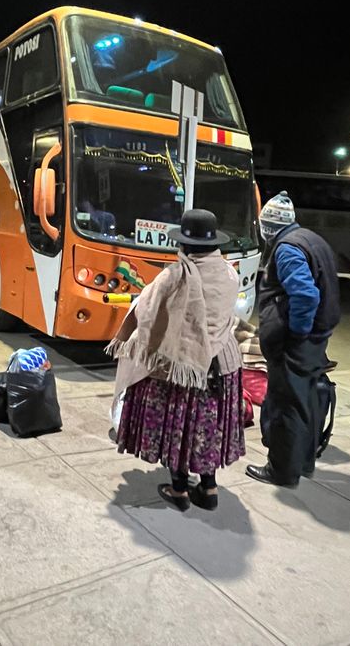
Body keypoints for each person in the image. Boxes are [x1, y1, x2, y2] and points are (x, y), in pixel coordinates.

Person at [108, 208, 245, 512]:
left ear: (184, 243)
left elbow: (148, 312)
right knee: (207, 427)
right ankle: (208, 488)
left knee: (179, 423)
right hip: (222, 364)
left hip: (183, 364)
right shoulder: (229, 273)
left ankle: (179, 488)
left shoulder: (174, 275)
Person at [246, 191, 341, 488]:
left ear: (269, 226)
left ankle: (282, 471)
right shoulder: (310, 238)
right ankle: (304, 462)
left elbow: (305, 294)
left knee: (287, 404)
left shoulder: (287, 249)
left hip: (300, 340)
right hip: (317, 337)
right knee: (306, 401)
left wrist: (297, 332)